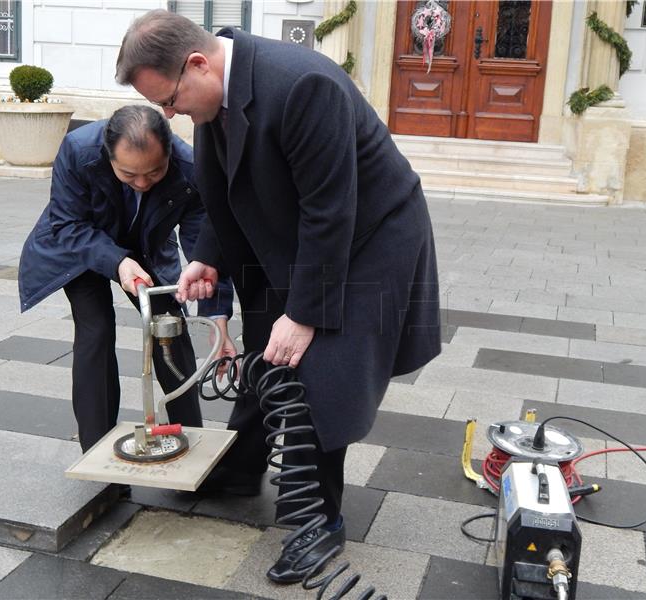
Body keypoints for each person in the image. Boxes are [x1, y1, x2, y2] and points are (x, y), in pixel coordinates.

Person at [115, 11, 441, 583]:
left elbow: (331, 209)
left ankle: (318, 524)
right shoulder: (208, 94)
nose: (168, 114)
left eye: (168, 100)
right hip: (295, 230)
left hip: (369, 236)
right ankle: (241, 470)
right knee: (267, 348)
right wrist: (207, 255)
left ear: (197, 63)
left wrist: (306, 313)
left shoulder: (303, 85)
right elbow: (224, 187)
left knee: (320, 372)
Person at [18, 105, 235, 453]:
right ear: (108, 156)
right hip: (81, 247)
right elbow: (67, 224)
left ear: (169, 151)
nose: (143, 183)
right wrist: (118, 262)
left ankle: (190, 440)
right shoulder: (77, 150)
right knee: (96, 329)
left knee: (169, 325)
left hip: (145, 247)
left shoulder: (190, 167)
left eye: (154, 172)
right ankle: (97, 450)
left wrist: (216, 315)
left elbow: (207, 249)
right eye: (129, 174)